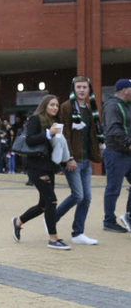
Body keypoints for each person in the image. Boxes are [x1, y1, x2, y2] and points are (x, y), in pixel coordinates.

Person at [11, 94, 73, 249]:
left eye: (57, 105)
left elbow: (57, 147)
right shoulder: (35, 119)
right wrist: (48, 133)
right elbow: (30, 140)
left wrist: (66, 160)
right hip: (36, 166)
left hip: (48, 166)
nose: (55, 107)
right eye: (52, 104)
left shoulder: (55, 122)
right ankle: (53, 239)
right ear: (45, 105)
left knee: (43, 205)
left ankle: (18, 222)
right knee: (52, 201)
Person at [55, 76, 103, 244]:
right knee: (78, 195)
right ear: (74, 89)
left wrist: (96, 152)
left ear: (89, 89)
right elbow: (65, 134)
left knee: (86, 197)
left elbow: (92, 134)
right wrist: (68, 158)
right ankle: (51, 220)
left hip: (85, 160)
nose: (82, 90)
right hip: (72, 160)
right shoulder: (66, 107)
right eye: (79, 87)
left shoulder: (90, 109)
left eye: (84, 87)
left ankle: (78, 233)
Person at [101, 78, 131, 233]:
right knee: (113, 188)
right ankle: (109, 221)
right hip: (115, 153)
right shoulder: (112, 106)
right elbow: (114, 130)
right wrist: (129, 143)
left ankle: (129, 216)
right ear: (125, 90)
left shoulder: (127, 106)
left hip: (127, 152)